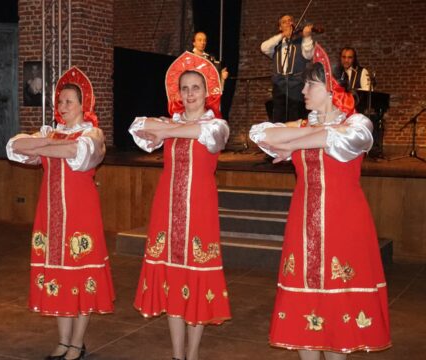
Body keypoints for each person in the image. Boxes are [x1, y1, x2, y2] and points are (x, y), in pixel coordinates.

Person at [249, 44, 391, 359]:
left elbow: (335, 139)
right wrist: (302, 136)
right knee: (305, 309)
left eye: (309, 84)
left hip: (343, 225)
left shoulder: (358, 125)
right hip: (302, 226)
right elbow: (259, 135)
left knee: (337, 309)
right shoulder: (306, 124)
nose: (302, 90)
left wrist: (295, 142)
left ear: (330, 89)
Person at [7, 66, 114, 360]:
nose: (62, 107)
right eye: (61, 101)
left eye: (69, 102)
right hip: (51, 213)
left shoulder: (93, 134)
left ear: (83, 106)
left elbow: (76, 154)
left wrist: (43, 147)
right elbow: (15, 147)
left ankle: (77, 343)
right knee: (58, 276)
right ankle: (63, 340)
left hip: (81, 215)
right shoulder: (50, 132)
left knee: (79, 279)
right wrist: (50, 143)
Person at [129, 52, 231, 360]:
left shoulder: (218, 126)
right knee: (173, 280)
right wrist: (165, 128)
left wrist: (165, 130)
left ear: (207, 92)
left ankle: (194, 353)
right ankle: (177, 355)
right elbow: (137, 129)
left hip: (200, 210)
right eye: (184, 88)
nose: (189, 94)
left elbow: (201, 133)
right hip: (166, 208)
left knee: (196, 278)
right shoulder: (169, 122)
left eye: (195, 88)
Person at [261, 14, 315, 122]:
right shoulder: (276, 45)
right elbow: (263, 47)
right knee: (278, 117)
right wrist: (282, 36)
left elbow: (309, 55)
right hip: (279, 85)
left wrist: (307, 37)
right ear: (280, 27)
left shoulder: (301, 42)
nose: (288, 23)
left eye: (290, 21)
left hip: (296, 85)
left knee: (296, 116)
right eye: (284, 22)